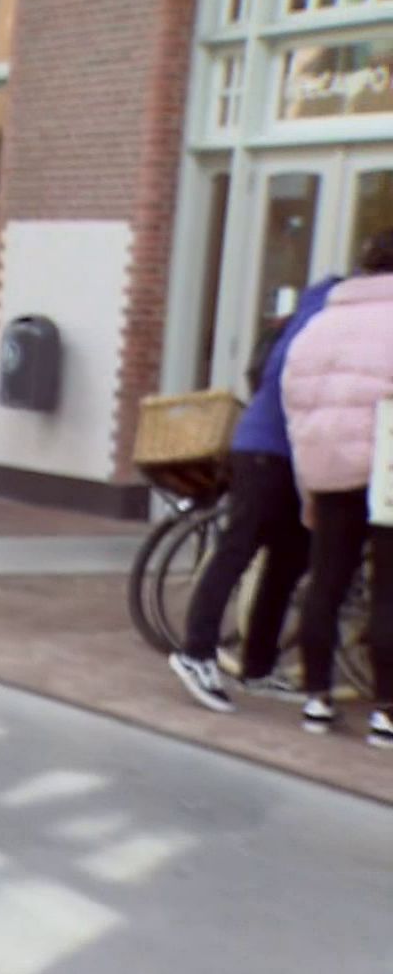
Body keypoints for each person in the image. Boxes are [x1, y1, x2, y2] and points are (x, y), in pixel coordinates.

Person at [164, 273, 343, 713]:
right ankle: (196, 654)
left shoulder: (320, 308)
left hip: (287, 453)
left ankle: (258, 665)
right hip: (270, 449)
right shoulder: (327, 317)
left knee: (287, 561)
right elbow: (290, 383)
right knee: (237, 551)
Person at [281, 228, 393, 747]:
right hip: (386, 472)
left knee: (326, 582)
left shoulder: (319, 325)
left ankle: (317, 697)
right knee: (389, 591)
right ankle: (386, 713)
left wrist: (309, 479)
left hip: (328, 470)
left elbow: (293, 402)